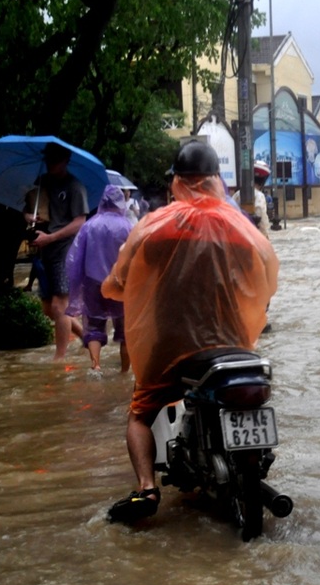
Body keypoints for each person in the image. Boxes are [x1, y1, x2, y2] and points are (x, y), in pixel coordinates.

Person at [102, 141, 278, 524]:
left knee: (139, 413)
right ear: (217, 180)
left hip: (172, 348)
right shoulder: (241, 227)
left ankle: (147, 488)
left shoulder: (155, 226)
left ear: (177, 181)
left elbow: (119, 281)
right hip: (234, 345)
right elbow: (266, 282)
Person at [23, 142, 88, 360]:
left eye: (55, 159)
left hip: (65, 250)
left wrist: (51, 237)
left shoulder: (74, 187)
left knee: (60, 307)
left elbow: (80, 221)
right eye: (48, 159)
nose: (51, 163)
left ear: (66, 161)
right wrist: (28, 217)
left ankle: (59, 361)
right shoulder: (41, 183)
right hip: (44, 250)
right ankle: (87, 337)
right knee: (48, 308)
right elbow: (28, 207)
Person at [64, 185, 135, 371]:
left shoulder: (90, 225)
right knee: (126, 331)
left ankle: (96, 366)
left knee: (94, 326)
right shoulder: (128, 226)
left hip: (93, 283)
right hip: (121, 284)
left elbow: (75, 258)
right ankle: (124, 372)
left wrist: (77, 283)